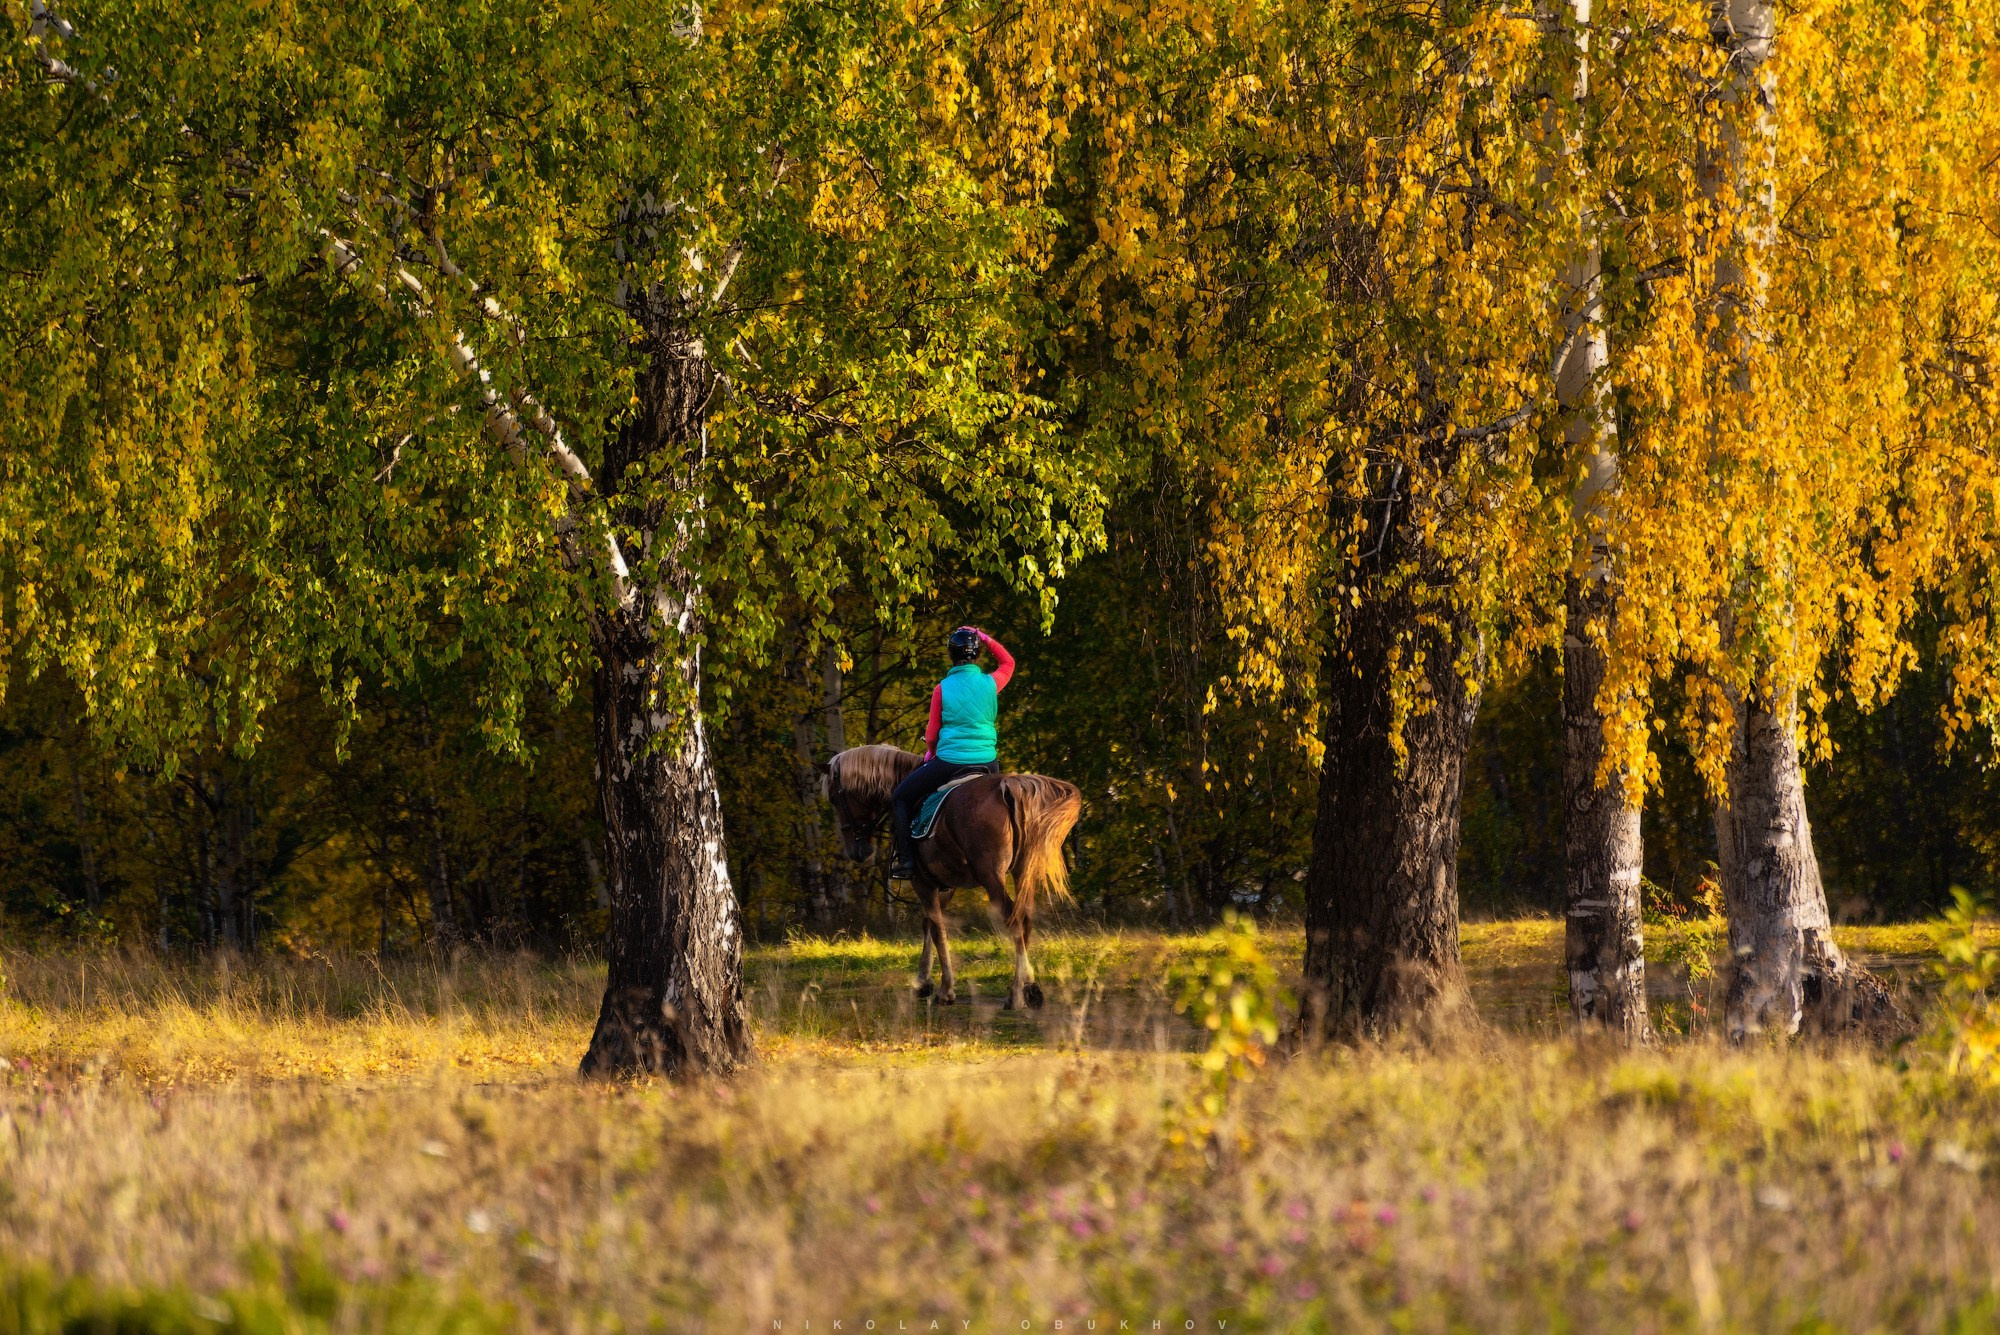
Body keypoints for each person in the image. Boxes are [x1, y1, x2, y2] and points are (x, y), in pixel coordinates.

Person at [888, 625, 1014, 879]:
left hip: (950, 761)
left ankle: (907, 861)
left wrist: (929, 754)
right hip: (988, 763)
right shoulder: (991, 683)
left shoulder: (942, 689)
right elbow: (1008, 662)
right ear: (978, 656)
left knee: (900, 797)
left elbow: (933, 734)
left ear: (951, 656)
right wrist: (986, 637)